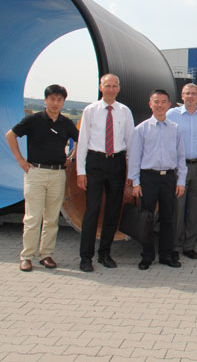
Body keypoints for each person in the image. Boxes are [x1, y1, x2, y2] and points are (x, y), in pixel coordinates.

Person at [6, 84, 79, 272]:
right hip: (36, 172)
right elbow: (11, 135)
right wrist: (20, 160)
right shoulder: (33, 120)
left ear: (63, 102)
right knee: (32, 217)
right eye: (52, 99)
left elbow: (81, 140)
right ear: (45, 100)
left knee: (52, 218)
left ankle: (46, 255)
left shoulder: (66, 123)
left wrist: (71, 158)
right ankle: (26, 256)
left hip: (58, 174)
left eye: (59, 100)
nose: (55, 103)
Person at [77, 74, 134, 272]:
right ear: (101, 87)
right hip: (95, 162)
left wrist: (131, 171)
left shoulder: (124, 111)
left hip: (117, 162)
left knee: (113, 210)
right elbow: (82, 142)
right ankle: (86, 257)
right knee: (92, 210)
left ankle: (105, 254)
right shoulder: (90, 110)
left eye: (114, 86)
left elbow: (131, 142)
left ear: (119, 88)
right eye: (107, 86)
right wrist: (80, 172)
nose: (111, 89)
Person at [128, 89, 186, 270]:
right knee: (147, 218)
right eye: (156, 102)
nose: (160, 105)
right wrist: (135, 183)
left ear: (169, 105)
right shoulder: (141, 129)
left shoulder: (175, 129)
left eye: (163, 102)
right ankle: (147, 256)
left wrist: (181, 181)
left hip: (168, 177)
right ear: (150, 104)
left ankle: (166, 255)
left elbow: (181, 157)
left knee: (168, 218)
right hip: (148, 178)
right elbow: (134, 158)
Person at [166, 83, 197, 261]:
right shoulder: (172, 115)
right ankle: (175, 245)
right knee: (178, 207)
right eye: (187, 93)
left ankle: (189, 246)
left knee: (195, 207)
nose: (190, 96)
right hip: (179, 166)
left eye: (193, 94)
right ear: (182, 96)